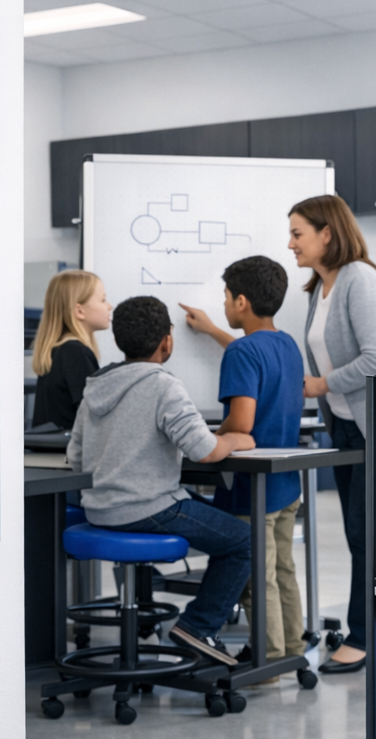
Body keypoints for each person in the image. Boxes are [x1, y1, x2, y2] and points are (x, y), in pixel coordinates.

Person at [67, 295, 256, 667]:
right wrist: (236, 439)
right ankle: (198, 626)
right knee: (243, 541)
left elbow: (75, 457)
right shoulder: (164, 385)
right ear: (166, 342)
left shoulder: (96, 387)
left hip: (101, 511)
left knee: (210, 518)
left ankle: (181, 626)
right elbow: (204, 450)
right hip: (148, 509)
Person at [288, 194, 376, 674]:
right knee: (360, 537)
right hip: (344, 427)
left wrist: (322, 384)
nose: (290, 243)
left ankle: (364, 637)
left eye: (298, 233)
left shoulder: (360, 279)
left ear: (326, 234)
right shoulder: (321, 286)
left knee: (362, 535)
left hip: (369, 429)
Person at [180, 256, 305, 674]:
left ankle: (265, 661)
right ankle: (289, 650)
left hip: (249, 488)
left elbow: (243, 423)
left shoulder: (243, 353)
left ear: (241, 301)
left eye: (226, 299)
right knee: (284, 570)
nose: (225, 305)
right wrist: (213, 330)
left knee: (256, 578)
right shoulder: (286, 344)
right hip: (286, 483)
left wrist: (215, 436)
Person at [31, 270, 110, 431]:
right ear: (79, 311)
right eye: (103, 300)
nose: (109, 306)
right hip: (67, 453)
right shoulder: (76, 353)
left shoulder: (60, 349)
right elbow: (95, 418)